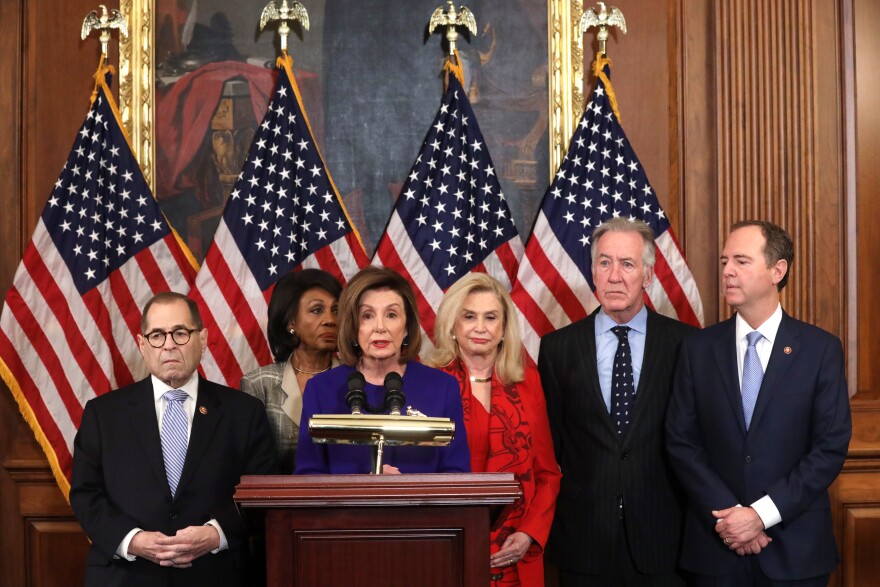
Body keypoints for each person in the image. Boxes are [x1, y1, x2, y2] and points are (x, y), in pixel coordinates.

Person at [666, 221, 851, 586]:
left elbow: (829, 447)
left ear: (777, 271)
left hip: (795, 550)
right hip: (717, 547)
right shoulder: (698, 349)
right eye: (723, 262)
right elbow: (681, 441)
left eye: (741, 261)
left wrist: (761, 515)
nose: (727, 272)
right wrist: (733, 518)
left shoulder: (819, 349)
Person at [70, 292, 276, 587]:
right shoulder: (103, 414)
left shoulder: (244, 412)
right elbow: (85, 494)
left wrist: (216, 533)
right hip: (126, 576)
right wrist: (133, 540)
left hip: (216, 573)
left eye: (180, 333)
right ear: (142, 344)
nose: (168, 345)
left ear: (202, 339)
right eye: (156, 335)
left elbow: (261, 492)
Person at [537, 217, 697, 586]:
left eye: (627, 264)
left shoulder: (685, 345)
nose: (614, 275)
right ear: (592, 271)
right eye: (605, 262)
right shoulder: (558, 348)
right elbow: (552, 446)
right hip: (584, 541)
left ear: (648, 275)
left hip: (663, 540)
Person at [427, 272, 561, 587]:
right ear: (453, 325)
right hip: (446, 547)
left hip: (514, 553)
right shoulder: (429, 381)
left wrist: (530, 533)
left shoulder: (528, 380)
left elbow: (547, 473)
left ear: (503, 328)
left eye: (491, 317)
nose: (480, 327)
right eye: (469, 316)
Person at [295, 266, 470, 474]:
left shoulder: (442, 387)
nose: (380, 327)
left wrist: (405, 491)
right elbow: (308, 474)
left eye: (391, 315)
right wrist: (361, 491)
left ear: (406, 328)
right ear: (352, 327)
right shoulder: (321, 389)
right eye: (367, 316)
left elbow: (456, 474)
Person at [240, 269, 342, 472]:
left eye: (336, 310)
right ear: (290, 322)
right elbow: (252, 464)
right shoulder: (259, 384)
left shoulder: (356, 380)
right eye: (317, 310)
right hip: (278, 499)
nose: (330, 320)